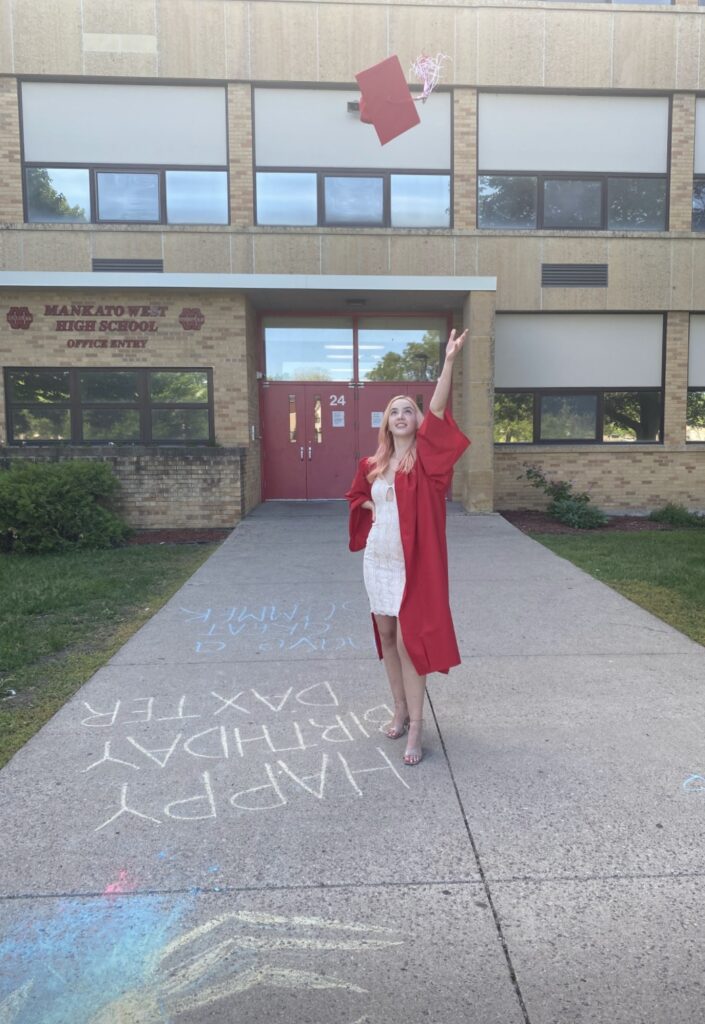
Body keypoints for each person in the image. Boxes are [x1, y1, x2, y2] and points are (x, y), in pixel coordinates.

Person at [345, 328, 470, 766]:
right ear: (385, 423)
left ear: (417, 422)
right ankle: (397, 707)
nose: (401, 415)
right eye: (394, 411)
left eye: (408, 411)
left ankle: (416, 725)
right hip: (379, 559)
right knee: (386, 635)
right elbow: (354, 496)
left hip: (413, 564)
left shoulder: (429, 463)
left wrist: (449, 361)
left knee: (409, 642)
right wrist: (372, 510)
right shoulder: (372, 464)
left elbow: (438, 408)